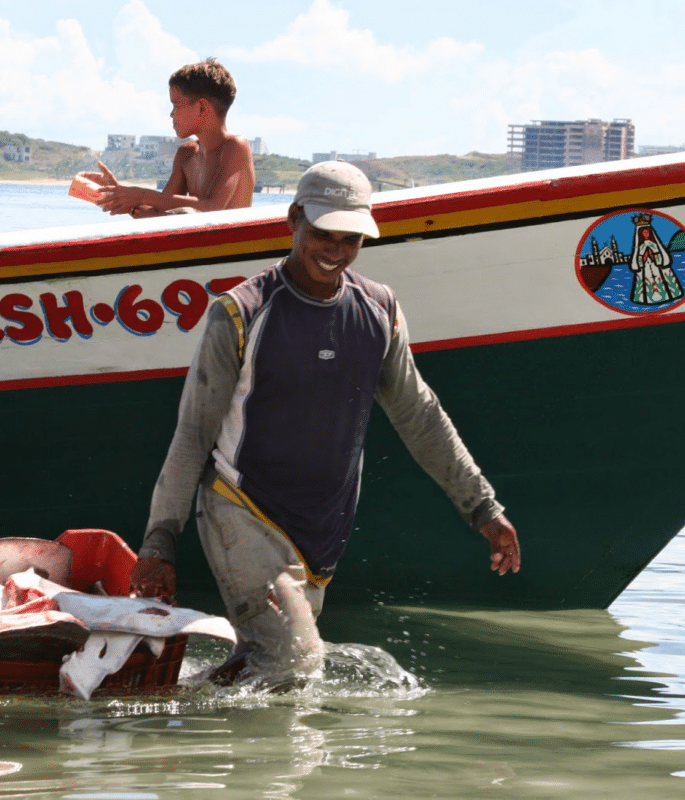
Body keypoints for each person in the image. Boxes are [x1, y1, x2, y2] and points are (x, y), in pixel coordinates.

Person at [129, 161, 521, 687]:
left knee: (267, 670)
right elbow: (192, 435)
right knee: (296, 664)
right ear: (293, 220)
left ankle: (175, 711)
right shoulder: (240, 314)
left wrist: (482, 506)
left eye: (351, 239)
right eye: (322, 234)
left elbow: (420, 415)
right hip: (242, 510)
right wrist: (158, 546)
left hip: (321, 531)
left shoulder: (380, 310)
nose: (335, 251)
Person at [84, 58, 255, 217]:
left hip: (233, 248)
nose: (171, 114)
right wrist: (119, 194)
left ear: (202, 108)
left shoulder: (235, 146)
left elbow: (213, 208)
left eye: (175, 105)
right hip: (199, 247)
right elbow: (157, 215)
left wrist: (141, 195)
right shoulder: (187, 153)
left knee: (187, 212)